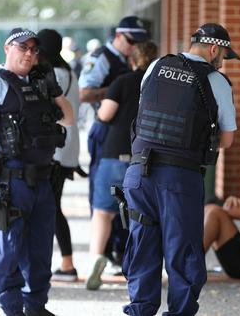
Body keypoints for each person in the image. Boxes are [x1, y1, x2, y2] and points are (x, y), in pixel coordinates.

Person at [121, 23, 239, 315]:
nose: (222, 60)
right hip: (179, 178)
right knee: (183, 251)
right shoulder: (216, 80)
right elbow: (226, 139)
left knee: (142, 246)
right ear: (214, 49)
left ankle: (140, 310)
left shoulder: (156, 66)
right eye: (223, 54)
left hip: (139, 172)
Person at [0, 28, 74, 316]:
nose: (29, 53)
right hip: (11, 183)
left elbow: (68, 118)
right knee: (7, 254)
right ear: (8, 48)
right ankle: (13, 310)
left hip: (42, 181)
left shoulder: (40, 84)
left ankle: (36, 307)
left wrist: (53, 90)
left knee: (40, 252)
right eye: (22, 47)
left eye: (33, 49)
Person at [79, 15, 148, 290]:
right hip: (108, 133)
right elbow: (85, 93)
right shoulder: (103, 57)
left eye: (138, 43)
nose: (133, 46)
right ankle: (108, 254)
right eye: (131, 41)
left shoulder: (127, 67)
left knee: (111, 206)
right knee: (106, 200)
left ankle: (115, 254)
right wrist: (118, 90)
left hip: (121, 138)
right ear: (119, 36)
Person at [37, 29, 81, 282]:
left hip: (56, 151)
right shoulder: (68, 72)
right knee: (53, 206)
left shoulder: (55, 75)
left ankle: (67, 263)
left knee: (51, 207)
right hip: (66, 150)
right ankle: (65, 263)